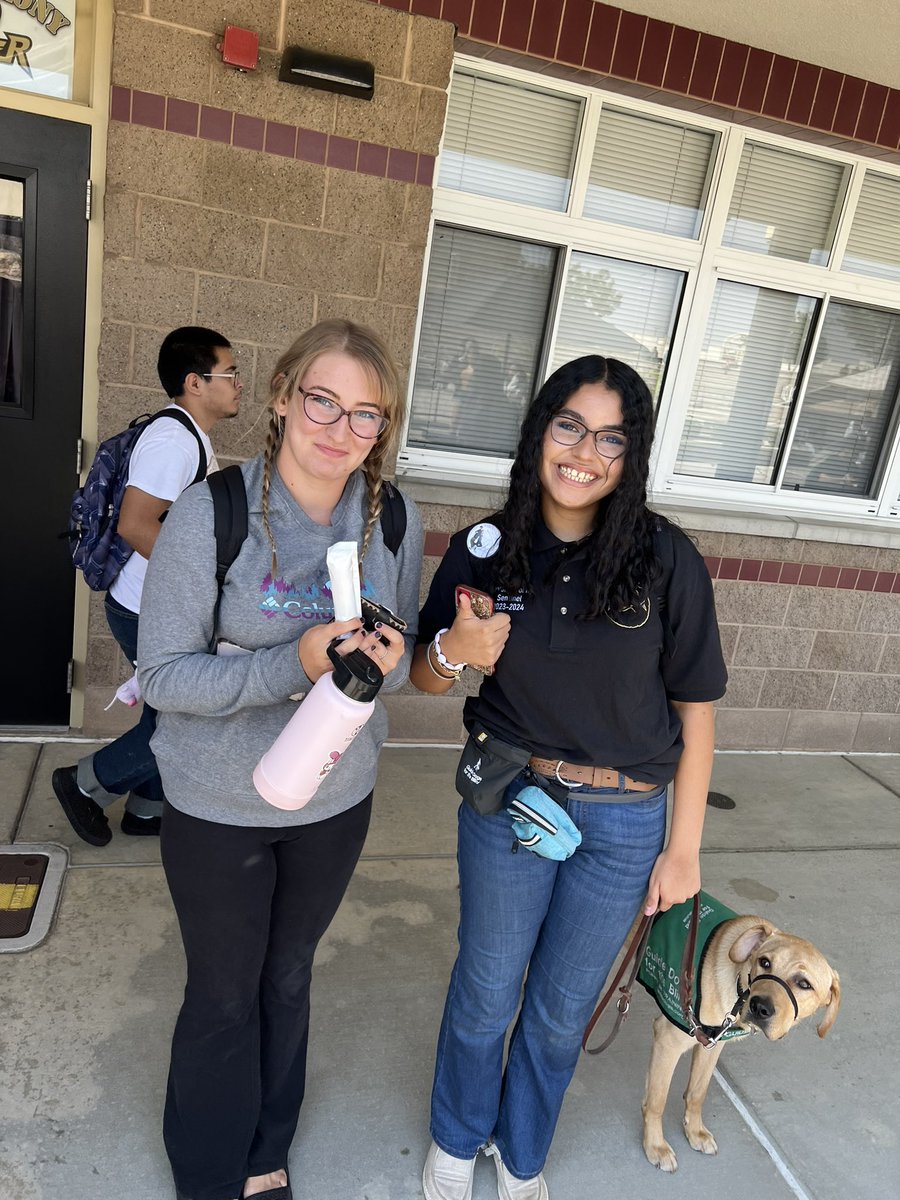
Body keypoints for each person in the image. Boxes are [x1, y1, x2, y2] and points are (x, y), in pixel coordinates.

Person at [410, 354, 727, 1200]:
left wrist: (683, 851)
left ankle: (521, 1157)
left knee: (557, 1011)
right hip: (513, 798)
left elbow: (696, 710)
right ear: (540, 431)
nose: (586, 452)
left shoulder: (665, 558)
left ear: (631, 456)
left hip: (626, 823)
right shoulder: (488, 546)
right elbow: (423, 673)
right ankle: (456, 1136)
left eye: (611, 438)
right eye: (569, 426)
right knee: (486, 987)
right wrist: (453, 650)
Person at [135, 319, 423, 1200]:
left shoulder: (393, 515)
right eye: (322, 401)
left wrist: (382, 658)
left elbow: (401, 652)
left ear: (382, 430)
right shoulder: (211, 513)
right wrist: (289, 664)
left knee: (289, 979)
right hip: (218, 808)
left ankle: (266, 1151)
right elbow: (160, 677)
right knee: (225, 994)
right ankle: (208, 1165)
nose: (339, 430)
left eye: (365, 416)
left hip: (335, 801)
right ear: (282, 396)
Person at [52, 327, 242, 844]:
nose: (238, 383)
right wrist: (200, 576)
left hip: (153, 603)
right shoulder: (173, 442)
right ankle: (84, 783)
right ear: (195, 383)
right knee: (178, 719)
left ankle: (146, 810)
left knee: (168, 707)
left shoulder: (187, 436)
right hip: (148, 608)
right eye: (229, 373)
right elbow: (136, 525)